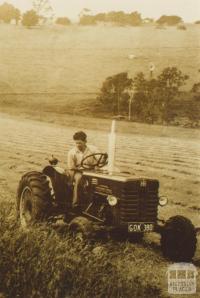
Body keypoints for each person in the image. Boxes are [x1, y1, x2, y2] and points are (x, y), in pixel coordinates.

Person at [67, 131, 99, 209]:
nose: (78, 145)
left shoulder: (93, 149)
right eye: (76, 143)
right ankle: (75, 204)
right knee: (79, 179)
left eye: (80, 143)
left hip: (92, 170)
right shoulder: (72, 152)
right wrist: (70, 181)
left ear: (85, 142)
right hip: (79, 171)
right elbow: (71, 168)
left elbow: (100, 160)